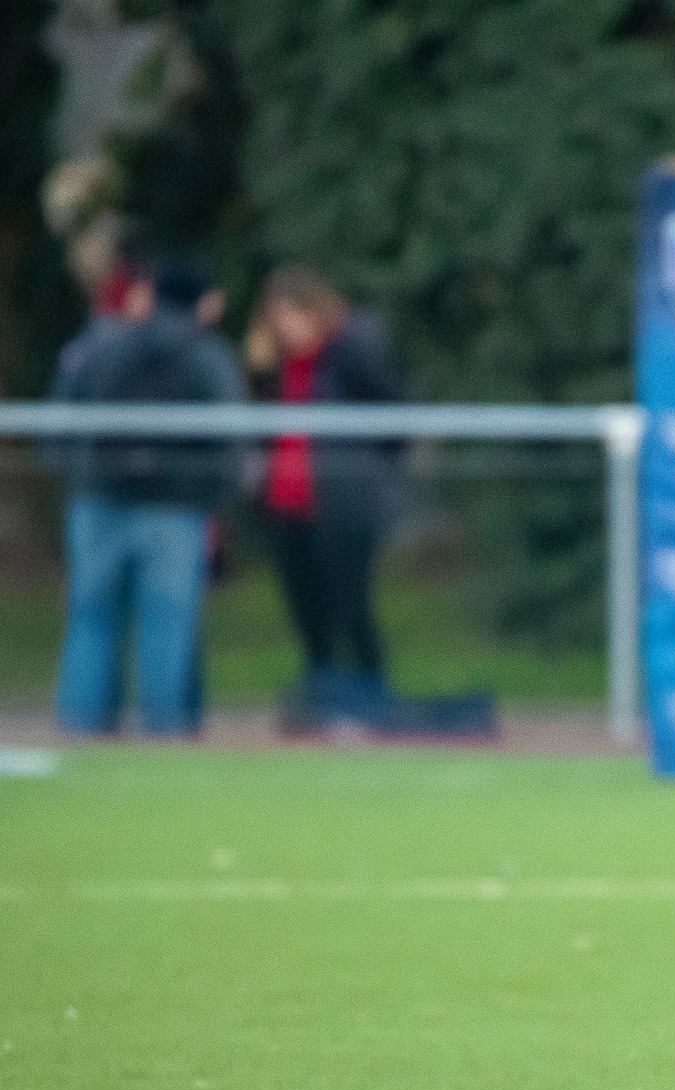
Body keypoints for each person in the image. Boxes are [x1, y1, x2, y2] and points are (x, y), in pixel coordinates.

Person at [46, 255, 243, 737]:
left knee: (91, 616)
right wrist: (217, 500)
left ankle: (81, 732)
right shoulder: (207, 355)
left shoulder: (102, 345)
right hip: (175, 507)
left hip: (97, 499)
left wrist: (79, 476)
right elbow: (230, 438)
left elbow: (60, 421)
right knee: (168, 620)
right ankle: (165, 735)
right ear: (200, 301)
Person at [245, 265, 408, 728]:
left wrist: (369, 474)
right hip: (287, 500)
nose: (284, 329)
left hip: (344, 499)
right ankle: (324, 697)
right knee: (306, 605)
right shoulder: (276, 363)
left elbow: (393, 415)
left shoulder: (353, 348)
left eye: (290, 316)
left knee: (350, 600)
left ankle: (372, 696)